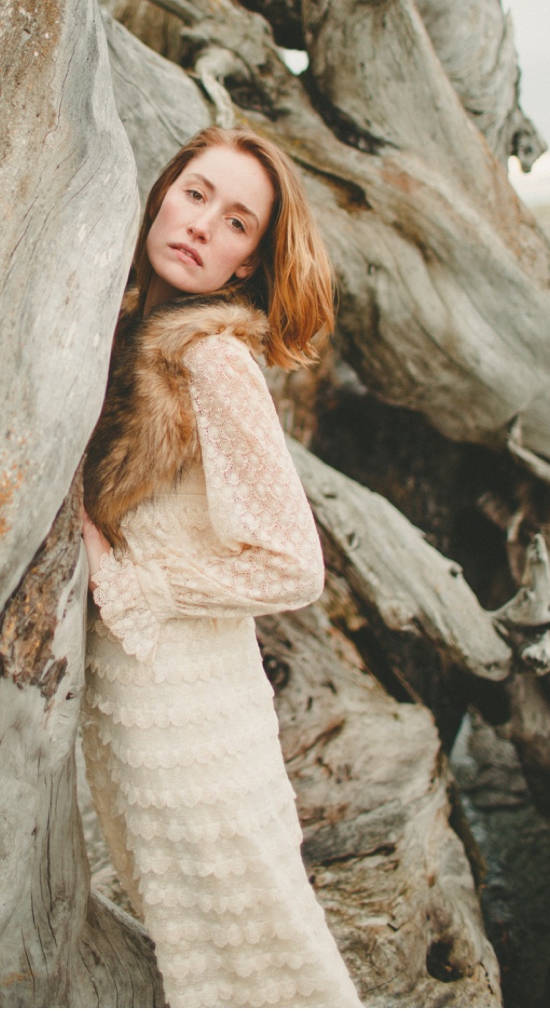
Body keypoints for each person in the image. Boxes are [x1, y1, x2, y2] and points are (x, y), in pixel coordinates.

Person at [80, 125, 363, 1009]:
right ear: (163, 192)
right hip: (131, 703)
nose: (205, 224)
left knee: (252, 962)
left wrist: (129, 579)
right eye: (197, 193)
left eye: (239, 222)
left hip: (190, 717)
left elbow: (293, 565)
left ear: (246, 263)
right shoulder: (116, 326)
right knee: (197, 956)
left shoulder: (210, 357)